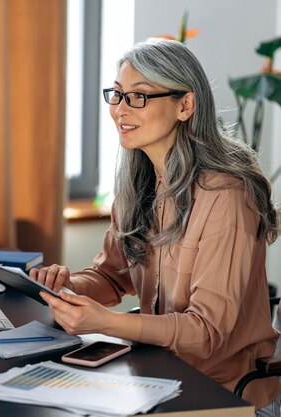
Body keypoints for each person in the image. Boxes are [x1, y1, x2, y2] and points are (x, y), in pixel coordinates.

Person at [30, 39, 281, 414]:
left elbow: (206, 333)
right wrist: (67, 288)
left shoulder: (226, 196)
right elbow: (113, 276)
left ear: (185, 105)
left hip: (226, 395)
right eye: (116, 95)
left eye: (139, 97)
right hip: (160, 375)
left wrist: (109, 323)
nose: (120, 110)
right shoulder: (137, 185)